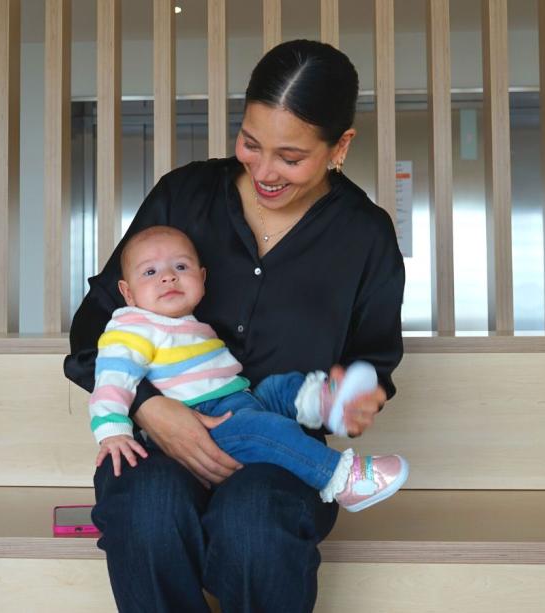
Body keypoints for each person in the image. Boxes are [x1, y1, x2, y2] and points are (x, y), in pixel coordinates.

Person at [65, 39, 405, 612]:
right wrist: (150, 406)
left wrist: (359, 395)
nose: (264, 170)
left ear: (339, 146)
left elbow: (375, 363)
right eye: (250, 143)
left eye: (290, 157)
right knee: (147, 509)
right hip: (155, 444)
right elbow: (93, 331)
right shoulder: (184, 195)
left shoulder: (364, 236)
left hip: (278, 454)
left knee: (254, 523)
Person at [90, 225, 409, 512]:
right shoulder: (131, 328)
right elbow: (112, 379)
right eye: (150, 272)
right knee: (265, 430)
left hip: (239, 399)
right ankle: (342, 479)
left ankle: (325, 403)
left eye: (181, 267)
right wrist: (112, 431)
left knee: (280, 387)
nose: (168, 276)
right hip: (204, 423)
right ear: (127, 293)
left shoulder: (188, 323)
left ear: (201, 278)